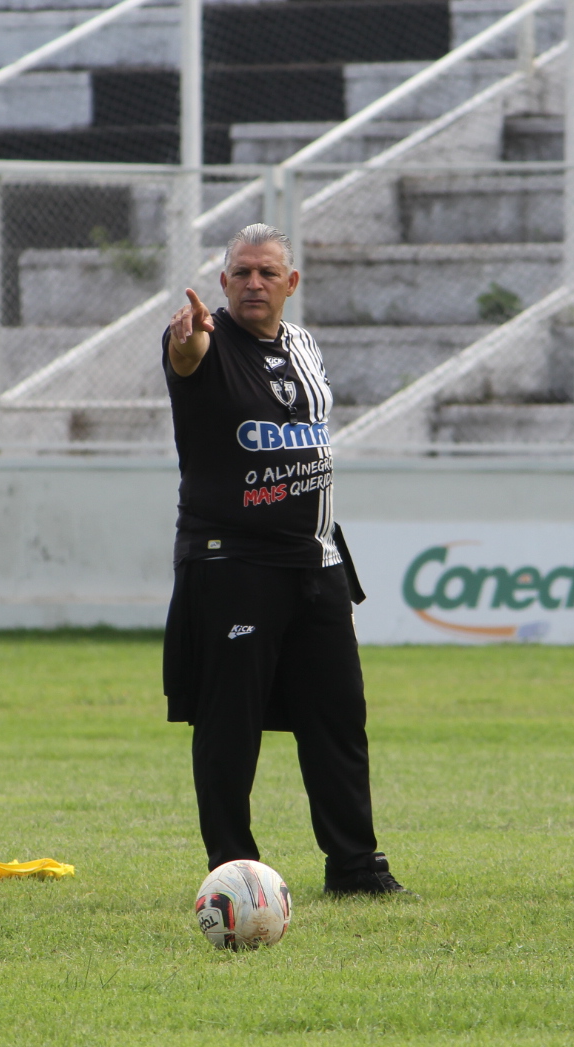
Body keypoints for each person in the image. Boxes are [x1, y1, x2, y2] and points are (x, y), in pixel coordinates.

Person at [160, 222, 406, 896]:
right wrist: (187, 343)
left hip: (317, 562)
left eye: (267, 272)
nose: (254, 284)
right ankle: (233, 874)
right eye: (241, 272)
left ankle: (356, 867)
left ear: (291, 283)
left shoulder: (303, 345)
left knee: (338, 718)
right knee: (229, 727)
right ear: (223, 281)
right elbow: (189, 358)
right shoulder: (201, 338)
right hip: (233, 564)